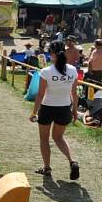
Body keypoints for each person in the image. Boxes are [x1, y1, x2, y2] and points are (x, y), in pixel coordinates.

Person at [30, 40, 80, 179]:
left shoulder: (46, 71)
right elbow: (74, 94)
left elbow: (40, 94)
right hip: (65, 108)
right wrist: (74, 111)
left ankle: (47, 168)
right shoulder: (73, 70)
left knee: (44, 139)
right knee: (59, 138)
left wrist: (34, 112)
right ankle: (72, 161)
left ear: (52, 54)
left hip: (47, 108)